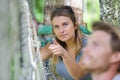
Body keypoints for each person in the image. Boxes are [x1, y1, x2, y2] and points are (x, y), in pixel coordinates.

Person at [40, 6, 91, 80]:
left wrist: (65, 54)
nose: (61, 31)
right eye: (56, 27)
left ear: (75, 25)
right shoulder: (55, 45)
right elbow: (36, 55)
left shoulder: (88, 46)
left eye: (65, 24)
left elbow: (78, 75)